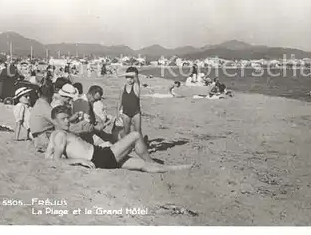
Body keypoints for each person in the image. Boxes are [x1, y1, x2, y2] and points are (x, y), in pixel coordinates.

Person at [45, 106, 193, 172]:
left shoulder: (55, 135)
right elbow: (57, 161)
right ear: (54, 121)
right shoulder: (60, 135)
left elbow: (48, 156)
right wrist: (78, 161)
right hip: (100, 157)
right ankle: (152, 161)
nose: (67, 121)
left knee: (141, 165)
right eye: (62, 119)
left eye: (67, 118)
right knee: (135, 136)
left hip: (102, 157)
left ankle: (174, 168)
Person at [117, 67, 154, 163]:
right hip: (125, 112)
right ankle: (127, 147)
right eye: (127, 77)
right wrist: (118, 112)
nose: (129, 79)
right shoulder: (123, 87)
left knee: (138, 131)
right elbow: (120, 100)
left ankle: (143, 148)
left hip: (136, 113)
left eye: (131, 77)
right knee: (126, 131)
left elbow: (135, 75)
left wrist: (123, 75)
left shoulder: (136, 86)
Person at [29, 83, 56, 151]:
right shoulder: (45, 106)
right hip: (43, 138)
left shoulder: (38, 103)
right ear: (51, 95)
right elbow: (57, 122)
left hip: (36, 136)